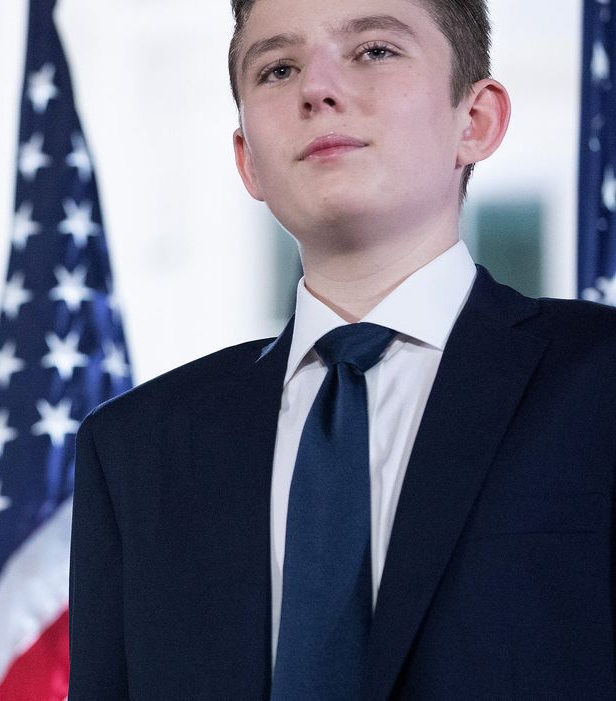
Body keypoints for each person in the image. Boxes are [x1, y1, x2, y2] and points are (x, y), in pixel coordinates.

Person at [70, 0, 616, 698]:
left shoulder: (597, 383)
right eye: (277, 67)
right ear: (248, 162)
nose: (316, 88)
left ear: (474, 121)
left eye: (374, 51)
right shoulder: (133, 448)